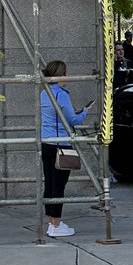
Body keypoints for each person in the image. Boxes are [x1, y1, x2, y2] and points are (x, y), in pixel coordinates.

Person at [39, 60, 90, 237]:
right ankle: (56, 224)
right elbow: (72, 120)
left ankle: (51, 222)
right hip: (61, 142)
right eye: (65, 74)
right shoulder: (61, 94)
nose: (67, 77)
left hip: (46, 142)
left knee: (50, 182)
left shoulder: (44, 93)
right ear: (60, 75)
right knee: (59, 185)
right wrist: (84, 111)